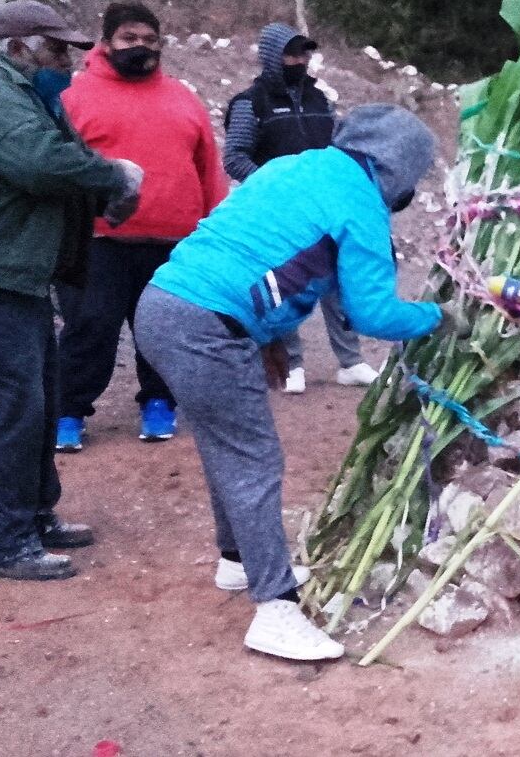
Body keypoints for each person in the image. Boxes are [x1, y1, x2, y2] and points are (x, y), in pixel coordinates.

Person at [136, 103, 442, 660]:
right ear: (398, 168)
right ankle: (275, 609)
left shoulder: (291, 166)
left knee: (223, 445)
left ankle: (237, 560)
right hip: (206, 324)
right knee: (253, 460)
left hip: (163, 304)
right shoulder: (362, 203)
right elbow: (373, 313)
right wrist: (437, 317)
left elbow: (260, 248)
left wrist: (267, 332)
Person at [0, 0, 143, 581]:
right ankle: (3, 542)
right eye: (57, 49)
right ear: (18, 48)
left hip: (7, 275)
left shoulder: (28, 95)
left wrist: (100, 189)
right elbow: (39, 165)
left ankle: (34, 516)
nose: (68, 61)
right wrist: (115, 176)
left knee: (39, 398)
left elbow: (63, 160)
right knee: (15, 409)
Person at [54, 3, 228, 451]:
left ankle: (159, 403)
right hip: (98, 241)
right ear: (106, 42)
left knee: (164, 331)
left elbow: (208, 168)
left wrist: (217, 229)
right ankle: (67, 412)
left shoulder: (182, 96)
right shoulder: (74, 97)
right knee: (90, 329)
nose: (141, 47)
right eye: (130, 39)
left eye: (150, 40)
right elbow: (55, 167)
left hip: (175, 242)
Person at [223, 22, 378, 394]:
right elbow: (234, 157)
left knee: (338, 282)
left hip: (325, 206)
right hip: (278, 211)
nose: (300, 60)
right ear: (272, 57)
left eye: (304, 53)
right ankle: (292, 364)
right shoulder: (250, 103)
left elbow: (339, 146)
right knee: (285, 284)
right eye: (292, 53)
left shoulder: (320, 99)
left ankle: (351, 360)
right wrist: (274, 187)